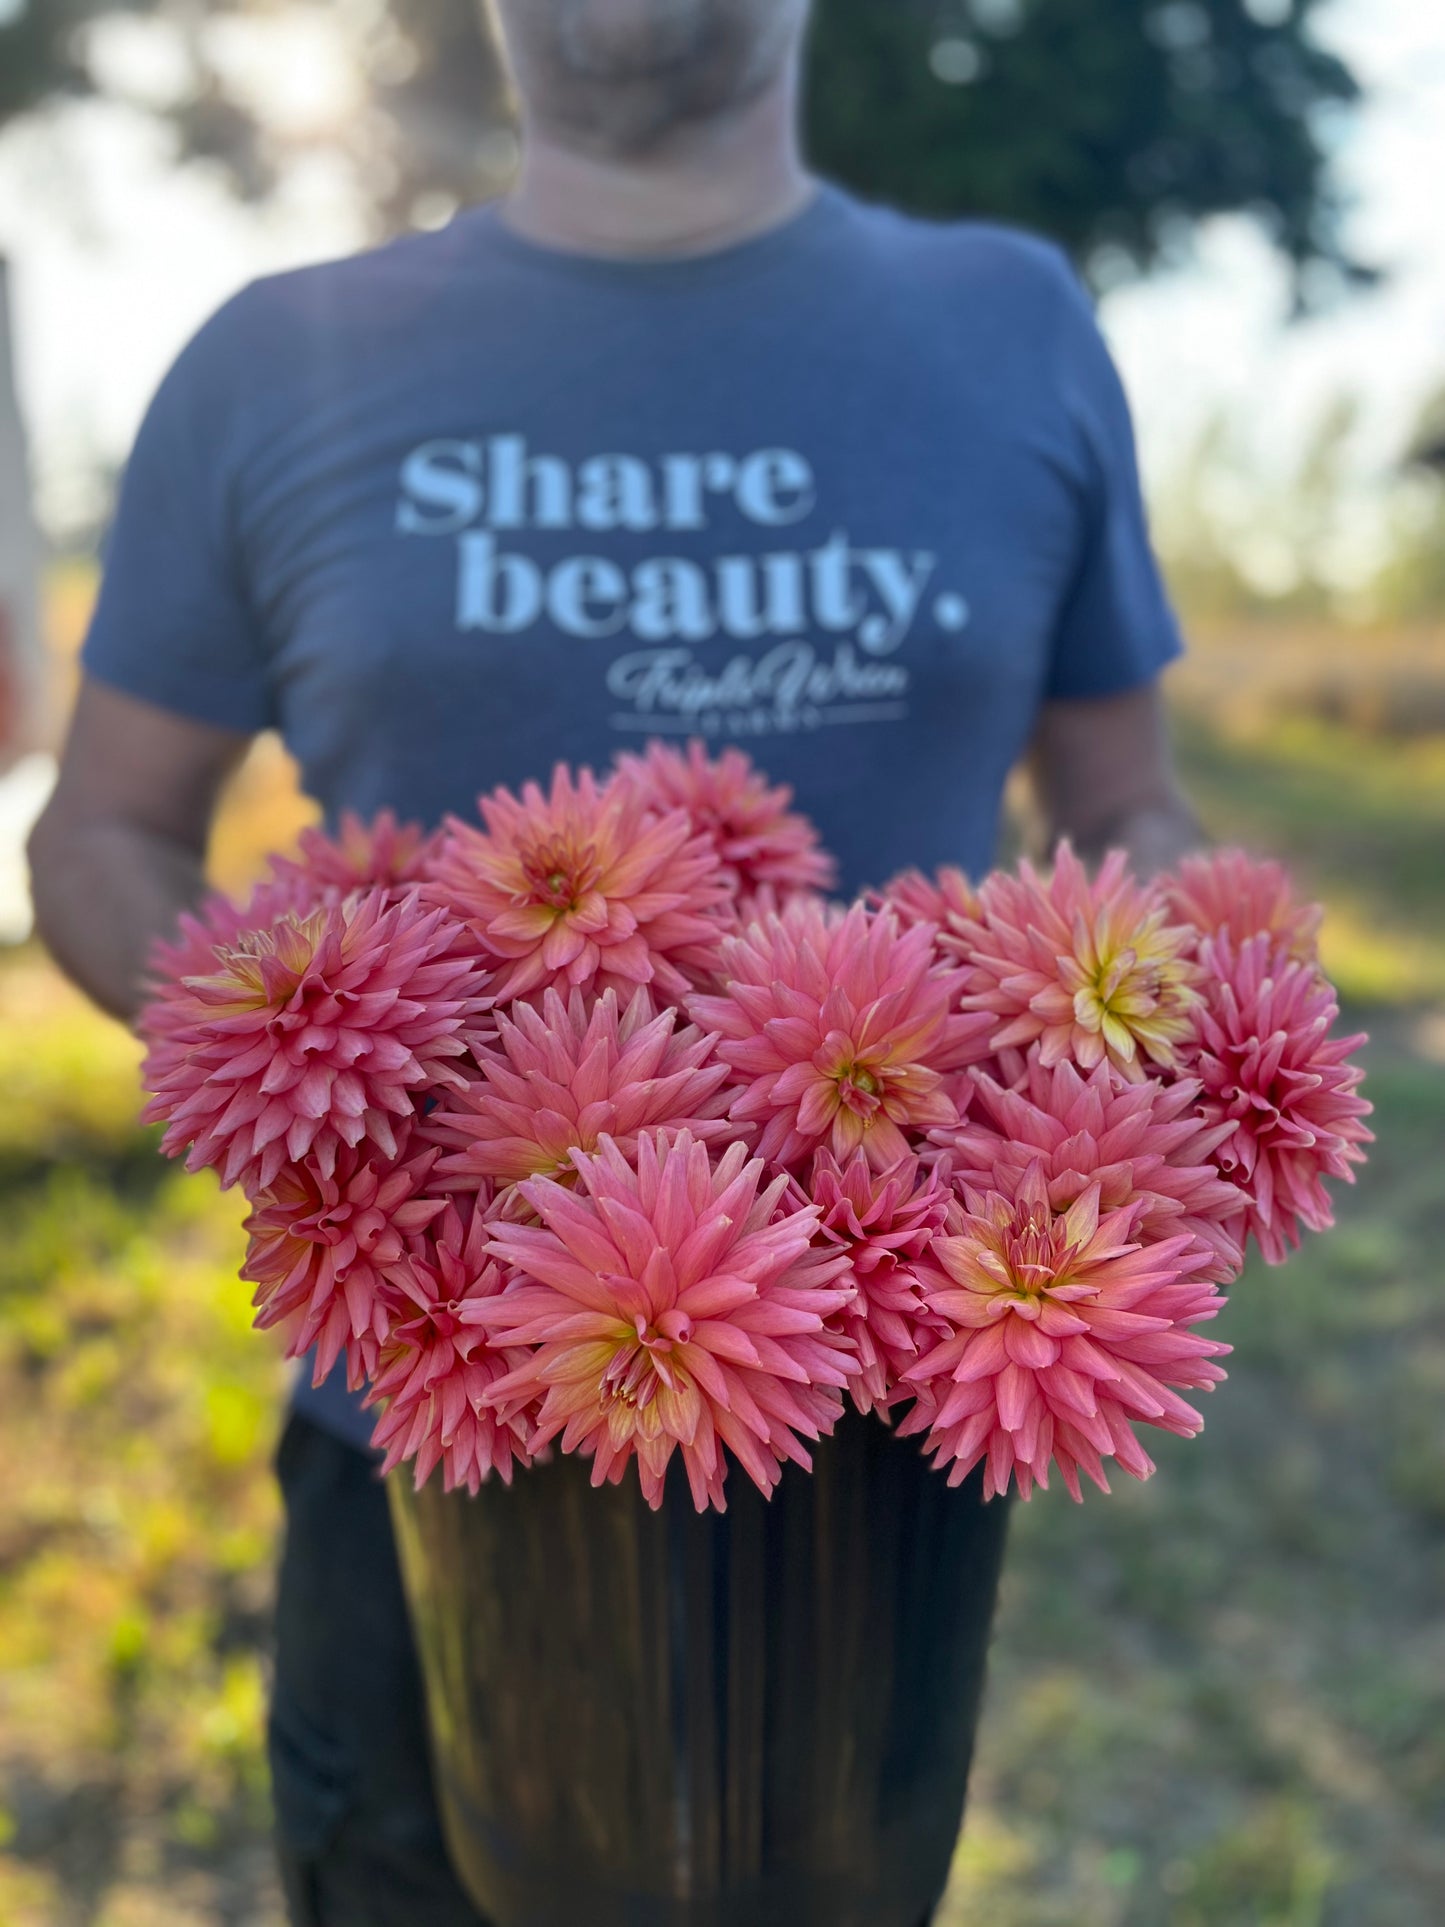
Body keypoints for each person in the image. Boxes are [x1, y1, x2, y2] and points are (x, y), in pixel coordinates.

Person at [28, 0, 1205, 1918]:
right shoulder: (272, 359)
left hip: (878, 1444)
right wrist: (308, 1069)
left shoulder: (1013, 323)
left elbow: (1127, 797)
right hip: (427, 1424)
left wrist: (1148, 1017)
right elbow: (99, 829)